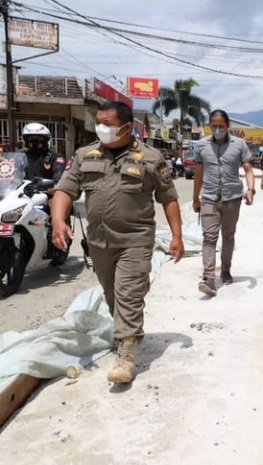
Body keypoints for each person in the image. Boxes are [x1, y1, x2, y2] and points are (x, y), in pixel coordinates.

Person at [50, 100, 184, 384]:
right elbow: (65, 189)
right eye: (98, 122)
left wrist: (177, 235)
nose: (101, 128)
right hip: (99, 242)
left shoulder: (150, 157)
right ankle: (130, 331)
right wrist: (58, 220)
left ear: (126, 126)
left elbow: (169, 197)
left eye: (107, 124)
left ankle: (125, 353)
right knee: (112, 296)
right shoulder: (85, 155)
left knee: (128, 294)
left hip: (135, 240)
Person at [193, 109, 255, 296]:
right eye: (214, 125)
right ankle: (209, 278)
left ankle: (226, 270)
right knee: (209, 237)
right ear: (209, 125)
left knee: (228, 236)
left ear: (227, 125)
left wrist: (250, 189)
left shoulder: (240, 145)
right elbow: (198, 174)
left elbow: (249, 169)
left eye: (221, 125)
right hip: (210, 198)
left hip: (232, 199)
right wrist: (196, 197)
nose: (217, 128)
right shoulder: (202, 145)